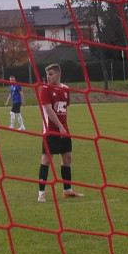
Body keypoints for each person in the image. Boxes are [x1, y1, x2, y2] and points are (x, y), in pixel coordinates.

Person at [37, 63, 83, 201]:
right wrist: (60, 127)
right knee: (46, 159)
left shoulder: (66, 89)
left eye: (50, 74)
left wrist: (64, 128)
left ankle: (67, 190)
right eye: (47, 75)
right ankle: (41, 192)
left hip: (64, 130)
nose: (48, 77)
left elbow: (64, 109)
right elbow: (49, 110)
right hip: (50, 131)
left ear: (58, 74)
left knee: (67, 158)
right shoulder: (45, 89)